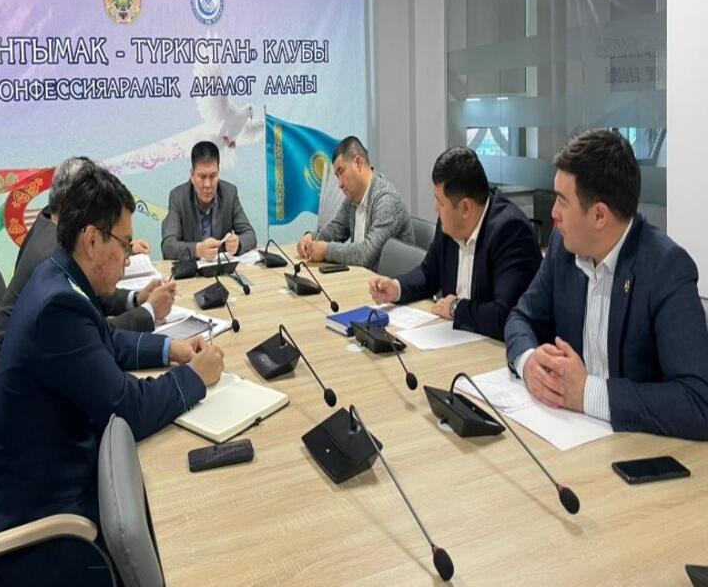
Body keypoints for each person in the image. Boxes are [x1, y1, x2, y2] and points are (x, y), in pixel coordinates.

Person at [0, 165, 225, 585]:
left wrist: (171, 349)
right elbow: (129, 409)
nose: (127, 258)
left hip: (42, 480)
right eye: (124, 245)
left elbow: (106, 339)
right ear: (91, 240)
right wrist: (194, 378)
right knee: (177, 528)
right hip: (36, 532)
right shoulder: (57, 307)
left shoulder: (58, 275)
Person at [505, 129, 708, 440]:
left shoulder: (666, 269)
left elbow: (698, 403)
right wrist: (528, 361)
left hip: (636, 447)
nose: (553, 214)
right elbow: (521, 317)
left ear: (599, 215)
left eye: (562, 201)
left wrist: (587, 393)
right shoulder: (562, 246)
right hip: (569, 435)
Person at [0, 157, 174, 424]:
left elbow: (99, 328)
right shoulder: (54, 279)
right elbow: (124, 402)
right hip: (15, 420)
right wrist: (192, 375)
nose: (125, 261)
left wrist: (167, 345)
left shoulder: (52, 240)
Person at [369, 147, 541, 340]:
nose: (436, 209)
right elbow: (429, 273)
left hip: (496, 348)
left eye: (440, 203)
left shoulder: (510, 231)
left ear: (465, 208)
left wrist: (456, 308)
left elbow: (505, 315)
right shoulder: (450, 224)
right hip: (456, 338)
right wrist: (396, 288)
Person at [296, 136, 412, 271]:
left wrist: (326, 250)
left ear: (358, 163)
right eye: (337, 176)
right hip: (362, 278)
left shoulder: (387, 199)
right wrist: (311, 238)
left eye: (341, 172)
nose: (339, 184)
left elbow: (366, 255)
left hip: (387, 282)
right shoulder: (352, 199)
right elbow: (335, 231)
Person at [161, 140, 257, 261]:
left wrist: (238, 244)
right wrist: (198, 250)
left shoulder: (229, 193)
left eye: (213, 176)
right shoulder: (178, 197)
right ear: (192, 175)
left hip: (222, 269)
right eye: (202, 177)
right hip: (192, 270)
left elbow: (250, 235)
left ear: (218, 173)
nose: (208, 184)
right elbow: (168, 246)